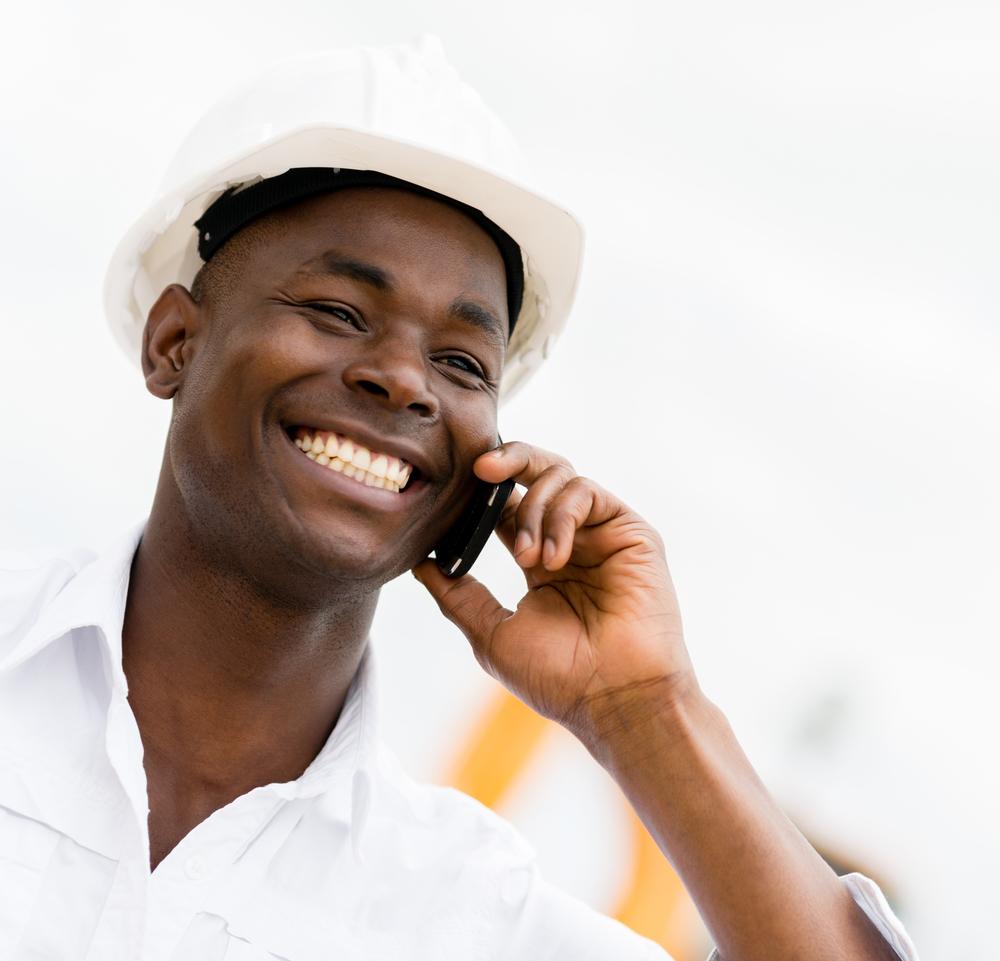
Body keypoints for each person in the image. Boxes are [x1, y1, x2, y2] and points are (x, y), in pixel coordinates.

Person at [0, 38, 918, 961]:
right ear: (174, 342)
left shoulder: (470, 916)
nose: (406, 383)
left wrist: (645, 710)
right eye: (339, 311)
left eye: (461, 363)